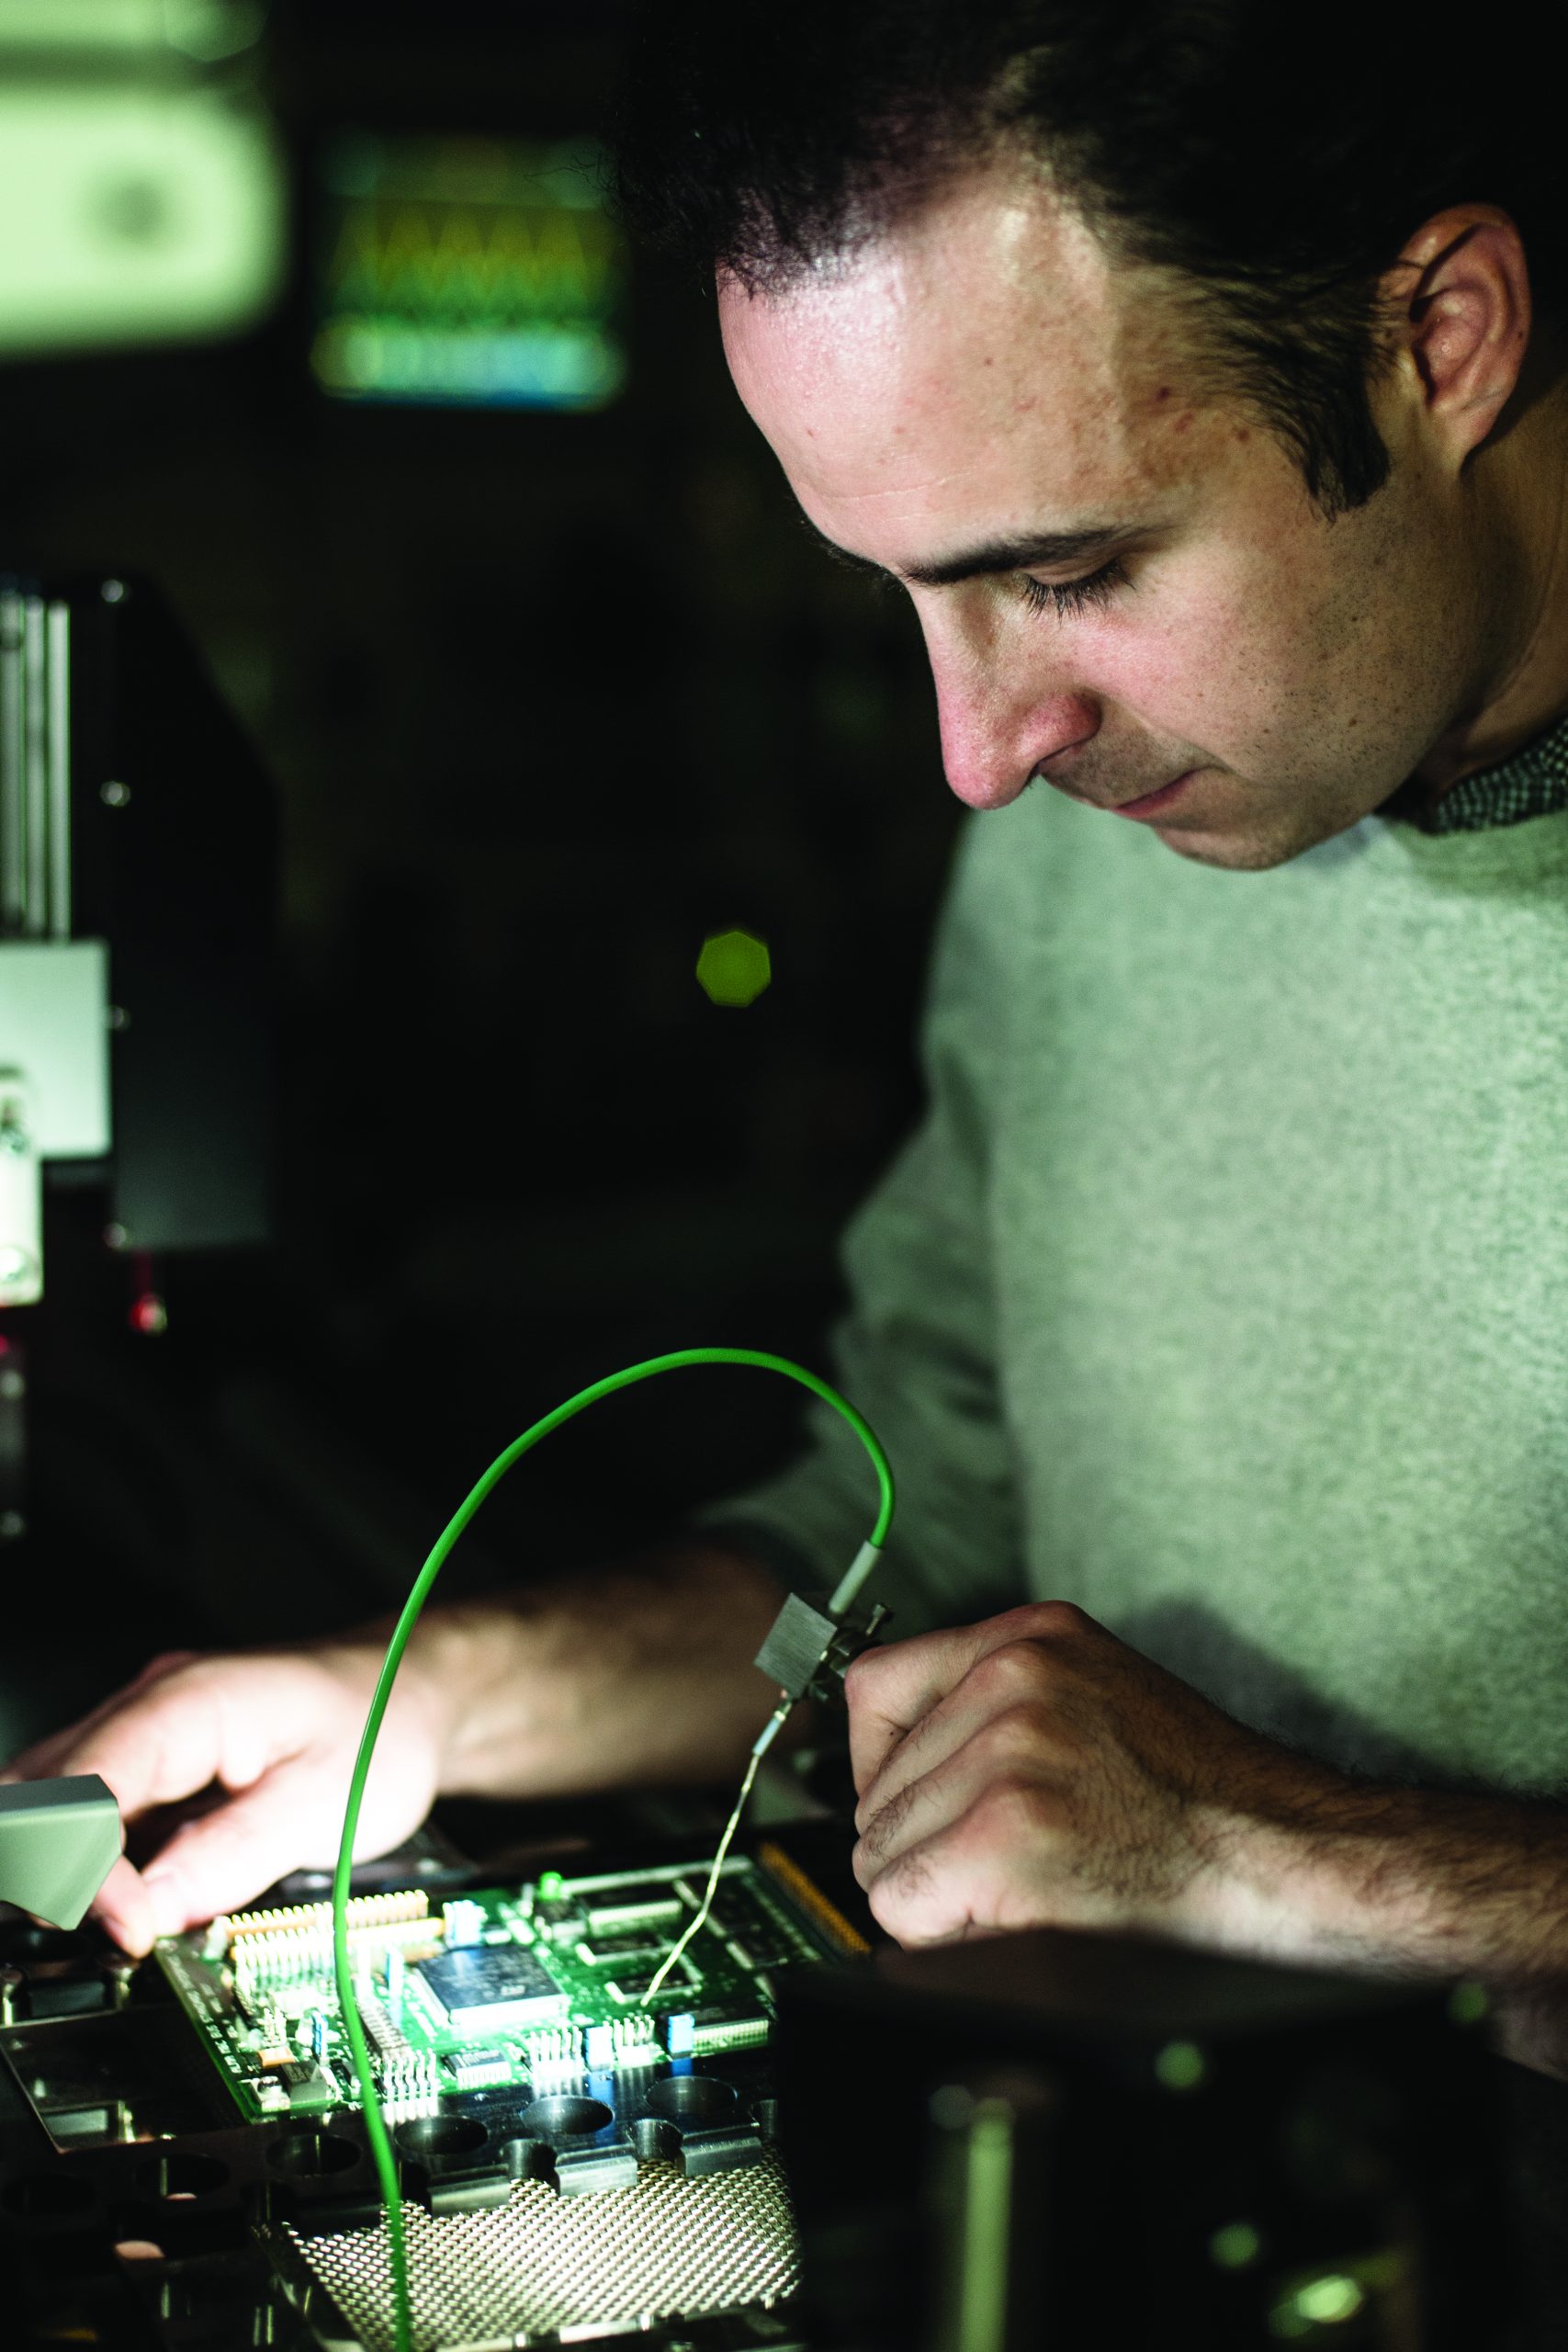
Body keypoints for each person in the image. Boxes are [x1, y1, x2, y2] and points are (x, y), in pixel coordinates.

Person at [12, 0, 1568, 2089]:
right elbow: (909, 1528)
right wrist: (431, 1704)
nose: (980, 754)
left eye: (1071, 569)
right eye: (902, 596)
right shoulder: (1111, 815)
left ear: (1441, 339)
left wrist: (1289, 1861)